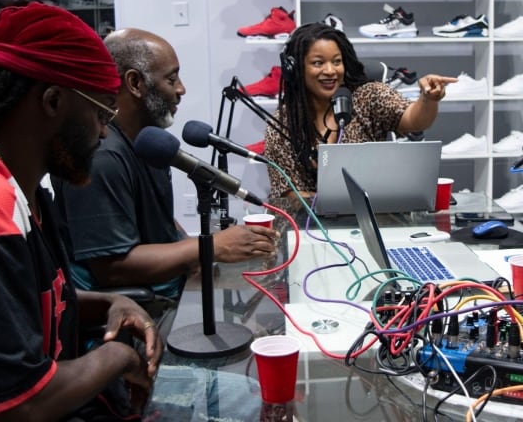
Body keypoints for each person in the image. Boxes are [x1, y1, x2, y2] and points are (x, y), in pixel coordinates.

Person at [0, 3, 163, 420]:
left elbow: (18, 303)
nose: (104, 132)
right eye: (101, 113)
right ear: (52, 100)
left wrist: (107, 303)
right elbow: (19, 404)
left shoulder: (21, 184)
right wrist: (118, 358)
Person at [51, 28, 278, 329]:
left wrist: (195, 252)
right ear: (135, 83)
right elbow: (112, 268)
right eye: (171, 80)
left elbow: (158, 223)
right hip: (137, 317)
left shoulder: (147, 142)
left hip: (169, 290)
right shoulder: (103, 158)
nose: (181, 89)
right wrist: (208, 247)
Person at [265, 22, 457, 198]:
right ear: (296, 69)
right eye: (318, 63)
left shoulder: (368, 96)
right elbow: (287, 193)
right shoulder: (283, 122)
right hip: (311, 223)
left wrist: (428, 99)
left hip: (376, 216)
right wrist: (339, 204)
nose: (330, 70)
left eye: (337, 61)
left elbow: (415, 120)